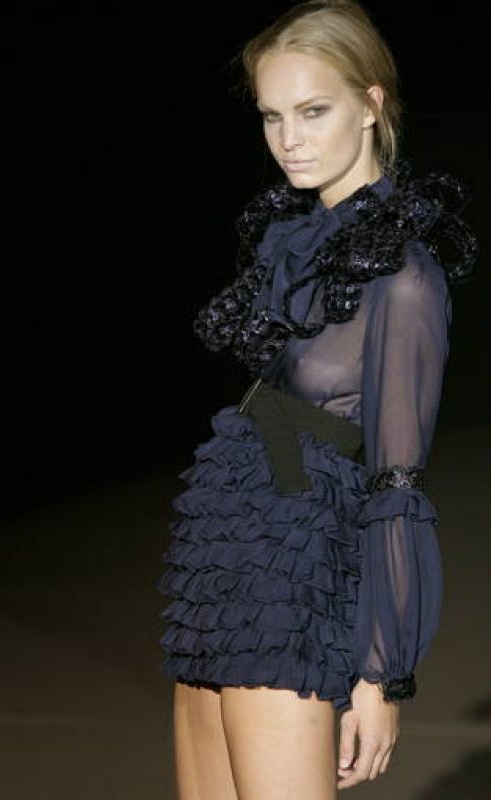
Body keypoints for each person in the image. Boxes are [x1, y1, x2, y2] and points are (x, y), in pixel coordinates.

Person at [157, 1, 478, 797]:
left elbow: (396, 481)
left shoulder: (403, 276)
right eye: (272, 116)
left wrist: (381, 677)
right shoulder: (297, 246)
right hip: (223, 561)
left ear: (370, 104)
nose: (288, 139)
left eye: (312, 111)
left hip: (294, 582)